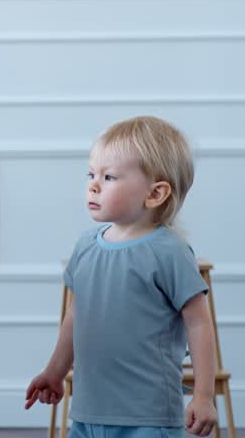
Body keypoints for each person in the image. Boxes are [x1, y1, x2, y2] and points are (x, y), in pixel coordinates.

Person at [25, 116, 219, 437]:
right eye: (91, 174)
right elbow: (75, 316)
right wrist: (54, 371)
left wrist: (203, 395)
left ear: (155, 193)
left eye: (109, 176)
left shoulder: (169, 251)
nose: (93, 185)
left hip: (149, 416)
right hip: (88, 411)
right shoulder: (86, 246)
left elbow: (199, 324)